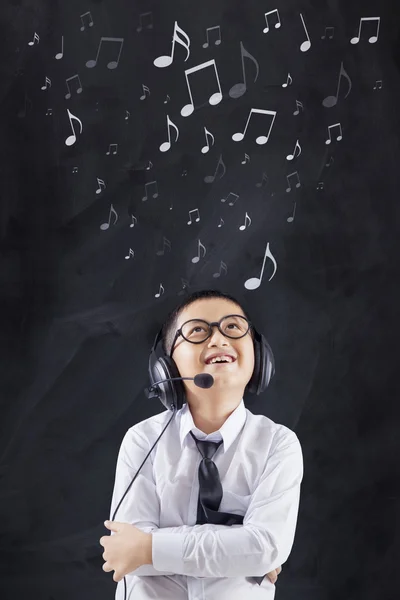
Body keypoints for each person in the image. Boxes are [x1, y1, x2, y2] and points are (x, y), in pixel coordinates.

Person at [108, 289, 303, 599]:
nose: (218, 340)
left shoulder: (278, 445)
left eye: (233, 328)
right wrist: (237, 551)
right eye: (198, 330)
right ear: (166, 366)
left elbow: (265, 548)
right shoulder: (142, 440)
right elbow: (126, 553)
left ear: (259, 355)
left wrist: (151, 548)